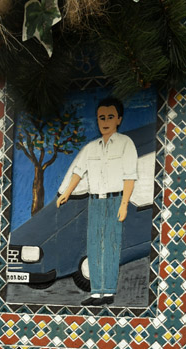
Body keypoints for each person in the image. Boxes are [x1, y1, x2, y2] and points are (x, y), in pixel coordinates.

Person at [57, 97, 138, 306]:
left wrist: (124, 204)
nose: (105, 121)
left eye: (110, 117)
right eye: (102, 117)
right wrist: (67, 193)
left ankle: (109, 291)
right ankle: (96, 292)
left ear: (119, 119)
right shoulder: (91, 148)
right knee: (94, 245)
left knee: (111, 244)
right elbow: (78, 171)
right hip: (95, 202)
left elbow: (130, 176)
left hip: (114, 200)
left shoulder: (125, 144)